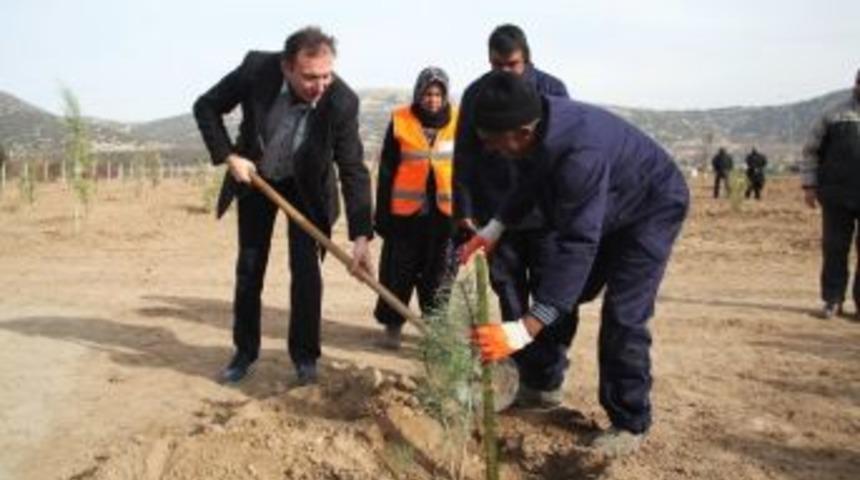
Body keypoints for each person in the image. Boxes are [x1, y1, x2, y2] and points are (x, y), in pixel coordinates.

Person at [463, 71, 689, 457]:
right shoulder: (538, 126)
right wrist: (494, 228)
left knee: (623, 313)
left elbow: (578, 244)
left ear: (521, 132)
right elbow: (527, 183)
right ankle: (542, 386)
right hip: (609, 204)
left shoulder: (579, 155)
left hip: (650, 206)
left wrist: (524, 329)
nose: (490, 149)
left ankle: (630, 421)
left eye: (492, 141)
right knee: (561, 292)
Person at [193, 26, 374, 385]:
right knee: (249, 266)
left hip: (308, 190)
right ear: (287, 67)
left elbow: (352, 168)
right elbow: (206, 107)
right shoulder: (257, 69)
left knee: (306, 273)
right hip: (256, 177)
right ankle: (244, 352)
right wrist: (230, 156)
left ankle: (305, 358)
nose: (320, 85)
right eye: (310, 77)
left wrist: (362, 235)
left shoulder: (342, 101)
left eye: (327, 75)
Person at [453, 24, 569, 392]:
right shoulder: (475, 95)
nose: (503, 72)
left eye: (512, 65)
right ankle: (521, 375)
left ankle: (549, 376)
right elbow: (464, 155)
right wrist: (464, 209)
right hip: (495, 212)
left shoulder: (552, 91)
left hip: (545, 212)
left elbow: (564, 154)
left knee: (550, 292)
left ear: (527, 59)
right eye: (496, 65)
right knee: (509, 290)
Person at [373, 67, 458, 349]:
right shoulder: (400, 120)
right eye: (427, 93)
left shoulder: (460, 121)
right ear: (418, 93)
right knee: (399, 272)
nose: (432, 99)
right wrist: (382, 214)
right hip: (406, 215)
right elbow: (386, 170)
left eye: (438, 94)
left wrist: (468, 217)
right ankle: (393, 325)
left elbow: (469, 170)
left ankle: (434, 330)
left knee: (439, 274)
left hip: (444, 216)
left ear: (445, 95)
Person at [800, 68, 860, 320]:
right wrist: (809, 186)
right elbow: (810, 152)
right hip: (837, 194)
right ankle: (832, 300)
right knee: (835, 248)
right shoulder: (833, 114)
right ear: (856, 83)